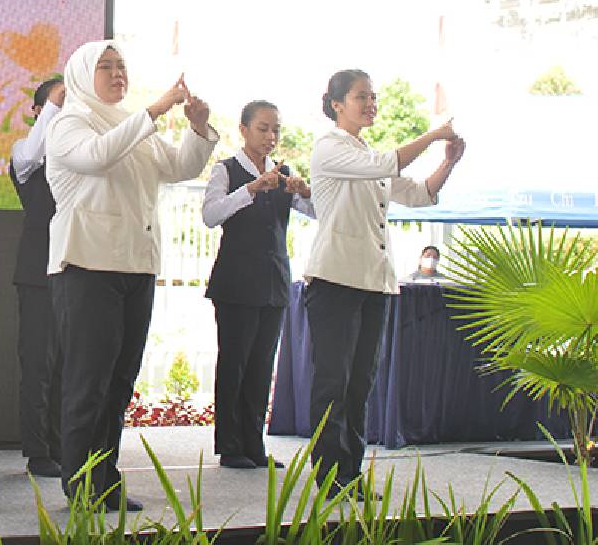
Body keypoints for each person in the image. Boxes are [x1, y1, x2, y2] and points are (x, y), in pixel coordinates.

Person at [46, 41, 218, 509]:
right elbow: (96, 157)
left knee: (119, 382)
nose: (117, 73)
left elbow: (179, 166)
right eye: (106, 66)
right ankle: (79, 485)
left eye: (121, 66)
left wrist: (198, 130)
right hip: (87, 267)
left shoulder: (131, 124)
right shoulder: (69, 122)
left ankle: (105, 480)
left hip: (136, 265)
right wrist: (157, 108)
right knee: (88, 384)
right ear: (83, 74)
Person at [304, 69, 465, 491]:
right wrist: (433, 135)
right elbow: (386, 163)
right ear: (337, 104)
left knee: (360, 385)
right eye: (361, 97)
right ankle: (327, 476)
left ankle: (349, 474)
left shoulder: (366, 152)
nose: (371, 103)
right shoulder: (329, 148)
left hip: (373, 284)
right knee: (332, 385)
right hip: (334, 281)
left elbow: (417, 193)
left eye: (372, 97)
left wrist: (447, 161)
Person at [201, 100, 315, 470]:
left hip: (274, 282)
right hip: (236, 282)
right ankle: (230, 445)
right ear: (244, 129)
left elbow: (316, 213)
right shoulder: (226, 170)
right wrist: (251, 189)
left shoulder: (284, 174)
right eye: (263, 128)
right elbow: (210, 215)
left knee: (262, 365)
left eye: (275, 130)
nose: (270, 136)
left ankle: (254, 443)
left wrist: (305, 190)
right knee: (234, 362)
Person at [9, 77, 65, 479]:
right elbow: (29, 156)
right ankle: (38, 450)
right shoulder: (25, 154)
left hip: (75, 269)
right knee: (39, 365)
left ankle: (65, 444)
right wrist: (54, 106)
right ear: (37, 112)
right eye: (55, 106)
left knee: (69, 364)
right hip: (37, 272)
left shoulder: (78, 157)